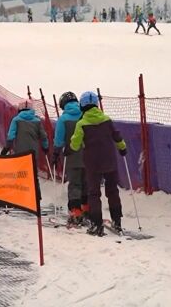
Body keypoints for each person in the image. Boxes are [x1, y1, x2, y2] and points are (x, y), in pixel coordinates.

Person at [70, 91, 127, 237]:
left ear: (82, 105)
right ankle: (117, 221)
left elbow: (75, 145)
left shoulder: (81, 124)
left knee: (94, 193)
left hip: (92, 164)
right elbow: (117, 136)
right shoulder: (107, 120)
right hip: (110, 161)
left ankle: (96, 224)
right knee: (112, 191)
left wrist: (70, 146)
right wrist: (122, 148)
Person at [0, 100, 49, 201]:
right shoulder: (37, 121)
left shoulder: (16, 120)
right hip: (33, 152)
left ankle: (21, 197)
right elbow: (44, 136)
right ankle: (36, 196)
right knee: (33, 174)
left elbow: (11, 136)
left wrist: (7, 148)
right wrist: (45, 147)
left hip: (20, 153)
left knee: (20, 174)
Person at [53, 92, 87, 226]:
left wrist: (55, 154)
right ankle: (87, 209)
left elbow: (59, 140)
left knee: (75, 184)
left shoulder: (63, 119)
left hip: (71, 155)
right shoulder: (84, 115)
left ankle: (75, 212)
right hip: (88, 155)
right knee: (86, 183)